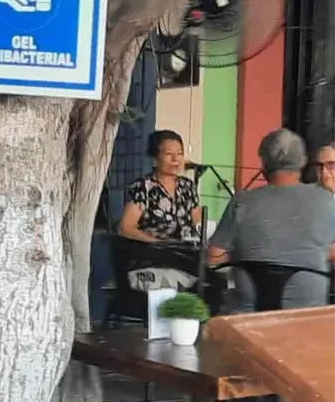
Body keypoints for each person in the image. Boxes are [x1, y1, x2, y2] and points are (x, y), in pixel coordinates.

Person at [208, 129, 335, 311]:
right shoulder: (325, 201)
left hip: (246, 318)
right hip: (306, 317)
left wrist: (244, 252)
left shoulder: (242, 201)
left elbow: (213, 258)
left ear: (264, 163)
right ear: (303, 161)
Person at [118, 130, 202, 243]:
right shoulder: (143, 187)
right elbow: (126, 228)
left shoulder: (187, 186)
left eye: (179, 153)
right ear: (155, 159)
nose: (175, 159)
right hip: (153, 251)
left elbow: (197, 222)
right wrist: (156, 243)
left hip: (184, 250)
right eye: (169, 154)